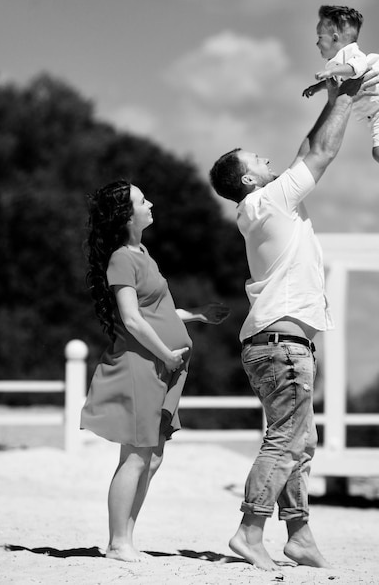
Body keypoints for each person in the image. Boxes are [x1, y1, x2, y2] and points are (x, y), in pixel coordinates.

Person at [209, 69, 379, 571]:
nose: (270, 161)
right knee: (286, 438)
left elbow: (307, 149)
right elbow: (319, 156)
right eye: (259, 160)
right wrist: (348, 95)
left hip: (281, 341)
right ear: (248, 179)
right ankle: (250, 530)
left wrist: (330, 99)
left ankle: (299, 535)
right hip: (281, 342)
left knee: (301, 439)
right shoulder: (267, 202)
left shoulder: (267, 202)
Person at [80, 180, 228, 563]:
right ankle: (117, 542)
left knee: (154, 455)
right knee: (136, 454)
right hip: (142, 365)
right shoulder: (121, 258)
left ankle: (126, 537)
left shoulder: (142, 252)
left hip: (162, 367)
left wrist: (196, 315)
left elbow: (154, 312)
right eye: (143, 200)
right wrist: (166, 354)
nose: (151, 203)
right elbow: (130, 318)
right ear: (127, 215)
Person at [302, 4, 379, 226]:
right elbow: (338, 81)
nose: (316, 43)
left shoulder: (352, 54)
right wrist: (318, 87)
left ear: (334, 37)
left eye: (319, 37)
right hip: (377, 116)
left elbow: (355, 69)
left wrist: (331, 72)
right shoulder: (337, 62)